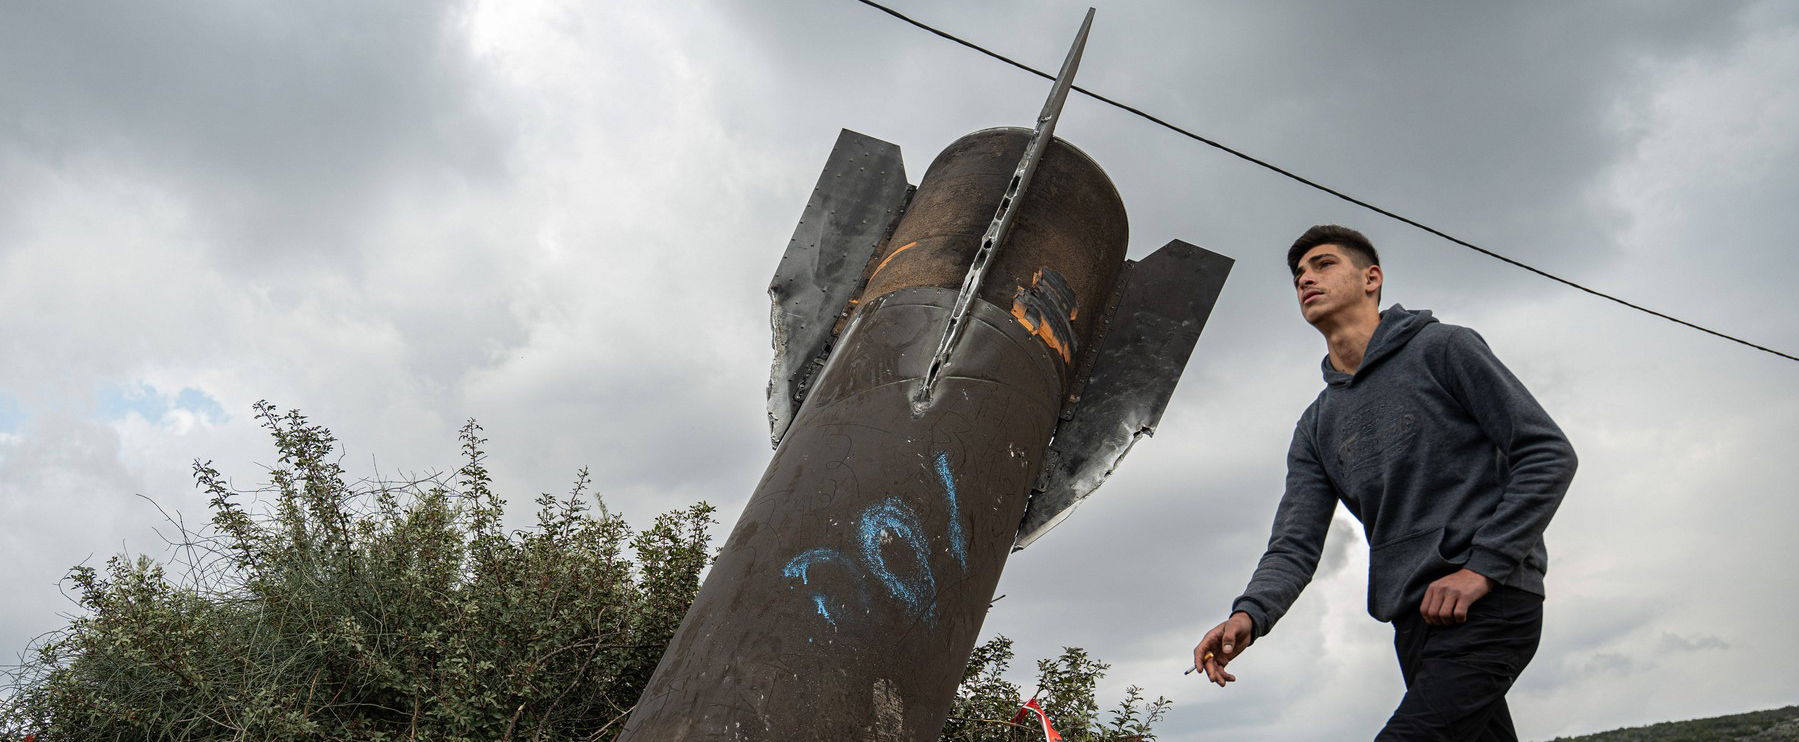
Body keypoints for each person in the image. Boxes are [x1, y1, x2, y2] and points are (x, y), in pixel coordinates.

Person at [1191, 225, 1577, 740]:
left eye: (1323, 264)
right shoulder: (1316, 425)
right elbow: (1294, 544)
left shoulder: (1444, 349)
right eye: (1298, 274)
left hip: (1490, 599)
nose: (1305, 278)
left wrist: (1481, 568)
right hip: (1414, 621)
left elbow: (1548, 453)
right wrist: (1249, 615)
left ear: (1371, 278)